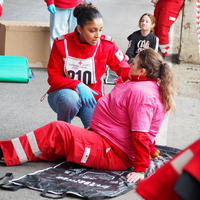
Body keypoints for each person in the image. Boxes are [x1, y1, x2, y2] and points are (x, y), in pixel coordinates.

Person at [0, 48, 177, 183]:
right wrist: (152, 150)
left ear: (142, 71)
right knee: (55, 144)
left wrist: (140, 169)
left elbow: (141, 133)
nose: (130, 65)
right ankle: (8, 152)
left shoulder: (143, 94)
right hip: (103, 141)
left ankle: (4, 151)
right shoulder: (141, 85)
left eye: (133, 63)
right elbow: (146, 128)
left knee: (57, 130)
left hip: (111, 151)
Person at [46, 2, 130, 128]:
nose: (98, 35)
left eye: (100, 30)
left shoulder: (107, 45)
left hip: (92, 98)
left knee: (96, 132)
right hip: (64, 96)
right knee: (70, 98)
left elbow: (123, 68)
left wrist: (144, 78)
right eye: (92, 30)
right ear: (79, 29)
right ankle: (62, 130)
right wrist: (78, 85)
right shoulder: (61, 44)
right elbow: (53, 78)